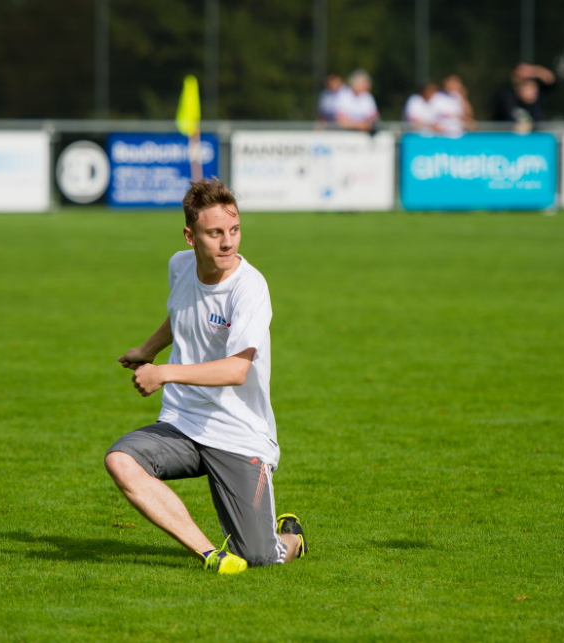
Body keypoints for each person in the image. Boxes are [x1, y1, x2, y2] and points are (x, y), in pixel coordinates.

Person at [105, 178, 307, 574]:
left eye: (234, 230)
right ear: (190, 237)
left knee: (261, 557)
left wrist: (164, 372)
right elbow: (182, 312)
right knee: (121, 460)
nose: (228, 243)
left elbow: (237, 369)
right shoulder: (179, 265)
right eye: (215, 233)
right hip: (183, 423)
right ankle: (210, 554)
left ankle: (292, 538)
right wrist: (147, 350)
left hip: (239, 432)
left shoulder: (249, 287)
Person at [493, 62, 556, 128]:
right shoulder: (507, 96)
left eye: (533, 88)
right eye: (528, 88)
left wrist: (534, 70)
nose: (532, 91)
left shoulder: (536, 103)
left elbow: (550, 79)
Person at [334, 69, 379, 133]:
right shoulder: (343, 96)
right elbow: (340, 121)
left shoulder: (367, 97)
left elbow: (373, 120)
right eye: (364, 83)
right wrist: (360, 125)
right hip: (344, 134)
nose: (367, 86)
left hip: (362, 134)